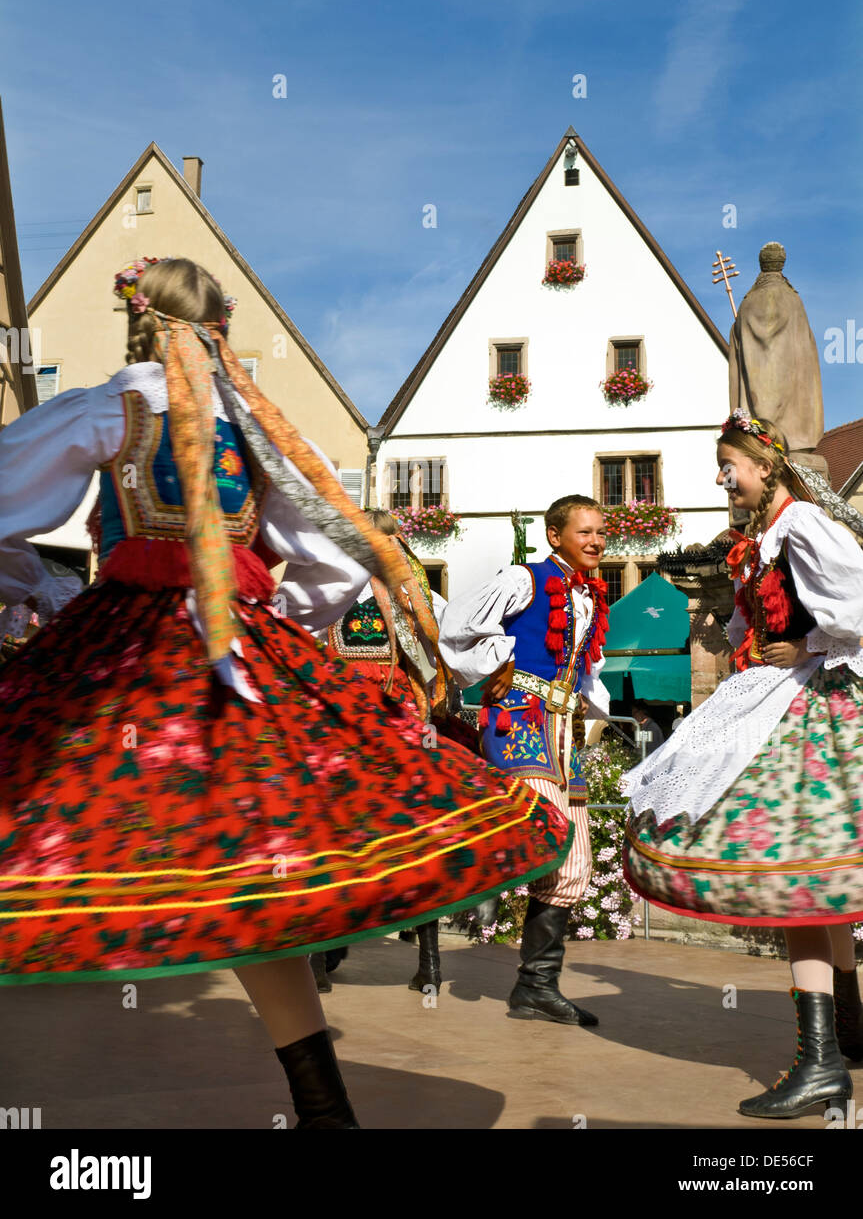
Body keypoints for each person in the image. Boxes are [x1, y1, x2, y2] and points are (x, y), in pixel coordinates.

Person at [0, 256, 575, 1128]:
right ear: (218, 330)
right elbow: (333, 557)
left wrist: (35, 590)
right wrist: (281, 627)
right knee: (254, 875)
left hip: (124, 657)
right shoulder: (252, 427)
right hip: (241, 659)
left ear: (138, 321)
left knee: (56, 817)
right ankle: (322, 1107)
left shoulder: (107, 407)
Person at [623, 410, 863, 1119]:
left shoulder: (803, 527)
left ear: (764, 467)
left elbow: (854, 603)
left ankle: (822, 1062)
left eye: (728, 466)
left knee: (793, 878)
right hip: (769, 697)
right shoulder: (758, 540)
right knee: (810, 884)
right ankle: (844, 1036)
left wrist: (811, 642)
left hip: (808, 705)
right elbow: (752, 625)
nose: (720, 478)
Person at [439, 494, 610, 1026]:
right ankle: (462, 876)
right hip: (518, 722)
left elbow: (587, 667)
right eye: (584, 532)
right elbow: (458, 624)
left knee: (576, 862)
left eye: (601, 533)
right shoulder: (524, 579)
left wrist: (587, 701)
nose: (596, 542)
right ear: (555, 535)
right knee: (537, 831)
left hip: (564, 736)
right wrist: (501, 659)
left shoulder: (591, 596)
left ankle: (535, 986)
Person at [320, 507, 463, 995]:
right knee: (412, 829)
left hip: (346, 714)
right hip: (398, 708)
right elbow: (449, 636)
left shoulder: (327, 585)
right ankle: (428, 962)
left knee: (336, 831)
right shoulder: (410, 588)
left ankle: (321, 959)